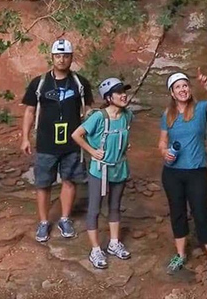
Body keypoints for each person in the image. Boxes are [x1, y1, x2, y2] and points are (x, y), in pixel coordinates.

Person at [158, 68, 207, 284]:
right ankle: (180, 255)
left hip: (197, 172)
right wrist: (165, 152)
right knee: (177, 213)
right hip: (172, 173)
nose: (182, 89)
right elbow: (161, 141)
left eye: (185, 85)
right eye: (178, 87)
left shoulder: (200, 109)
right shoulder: (167, 115)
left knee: (201, 215)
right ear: (172, 92)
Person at [21, 38, 93, 243]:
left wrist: (92, 132)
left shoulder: (80, 83)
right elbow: (29, 111)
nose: (62, 59)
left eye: (66, 56)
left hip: (72, 143)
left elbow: (88, 110)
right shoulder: (39, 83)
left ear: (71, 58)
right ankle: (44, 222)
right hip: (46, 142)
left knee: (70, 180)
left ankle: (65, 218)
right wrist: (25, 138)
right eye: (58, 56)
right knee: (43, 183)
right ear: (52, 57)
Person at [71, 77, 134, 269]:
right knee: (95, 208)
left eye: (124, 91)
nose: (124, 95)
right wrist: (92, 151)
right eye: (119, 92)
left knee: (115, 206)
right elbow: (76, 134)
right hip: (100, 169)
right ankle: (95, 249)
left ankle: (114, 243)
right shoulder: (98, 117)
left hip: (119, 167)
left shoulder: (127, 116)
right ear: (108, 97)